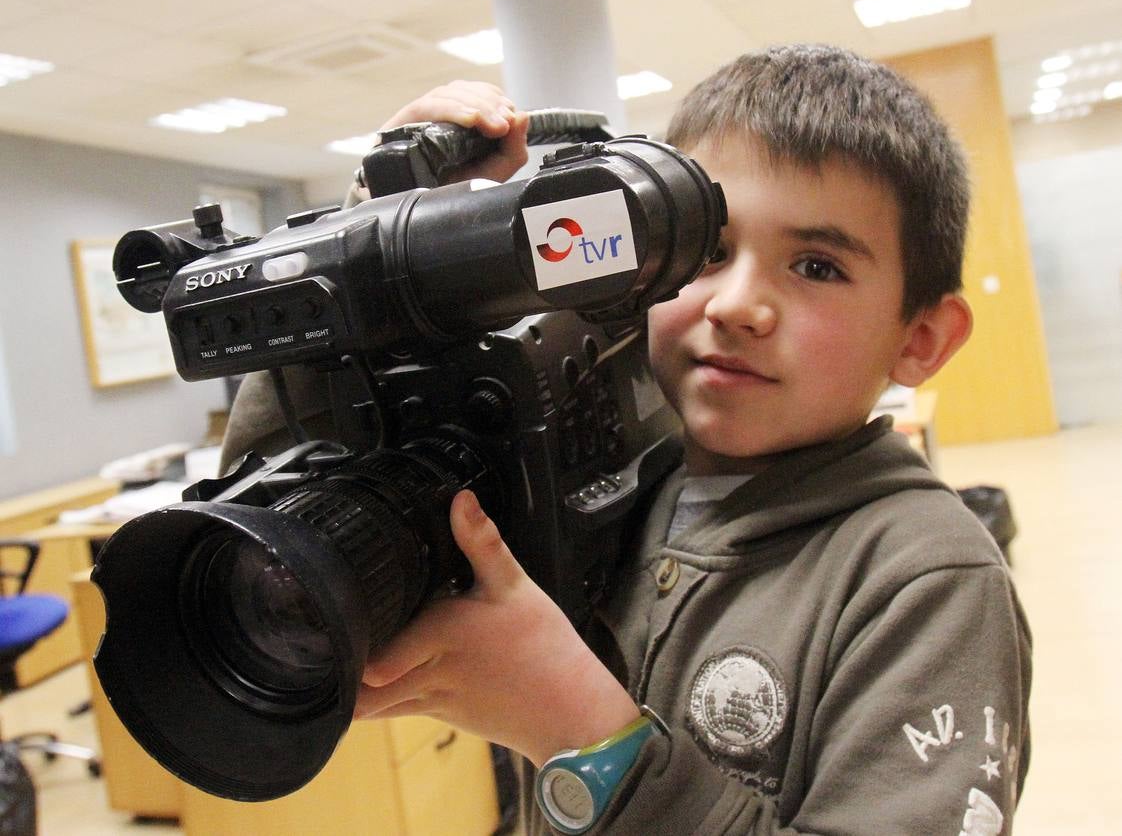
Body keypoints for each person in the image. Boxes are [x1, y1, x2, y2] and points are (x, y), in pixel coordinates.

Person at [231, 53, 1032, 833]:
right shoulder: (606, 480)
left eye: (816, 267)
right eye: (707, 250)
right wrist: (375, 246)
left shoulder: (926, 581)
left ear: (922, 337)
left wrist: (583, 733)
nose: (738, 305)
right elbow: (294, 492)